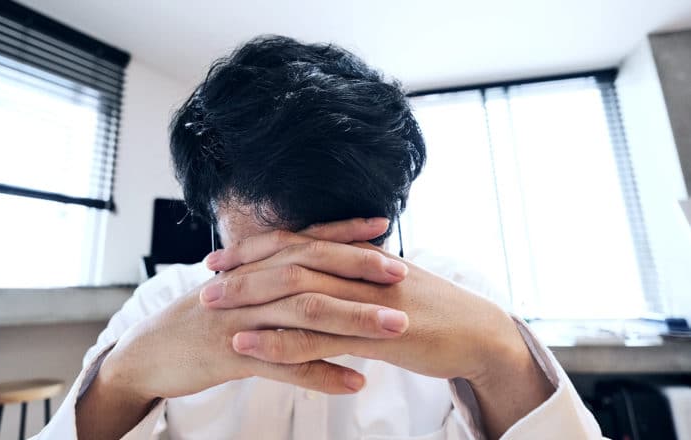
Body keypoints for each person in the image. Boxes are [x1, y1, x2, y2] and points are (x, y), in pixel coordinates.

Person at [34, 36, 603, 440]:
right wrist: (125, 378)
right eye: (271, 263)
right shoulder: (160, 305)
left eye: (338, 261)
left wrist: (501, 357)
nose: (304, 295)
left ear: (390, 222)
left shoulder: (463, 296)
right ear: (213, 221)